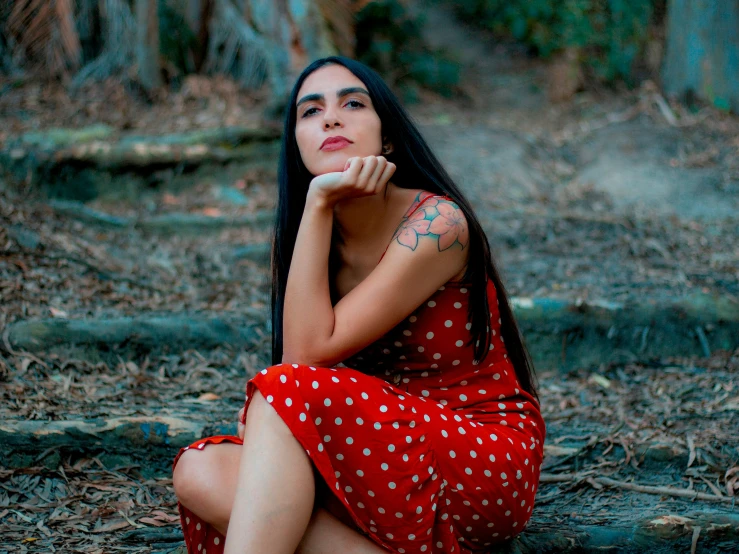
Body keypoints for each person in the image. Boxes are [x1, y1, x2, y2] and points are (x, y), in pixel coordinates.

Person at [171, 55, 545, 554]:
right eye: (310, 111)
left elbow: (301, 360)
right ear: (297, 144)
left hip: (477, 458)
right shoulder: (312, 239)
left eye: (352, 103)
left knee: (280, 394)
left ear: (386, 138)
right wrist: (317, 208)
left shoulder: (438, 224)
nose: (330, 117)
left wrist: (320, 201)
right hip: (382, 453)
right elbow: (300, 370)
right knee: (200, 470)